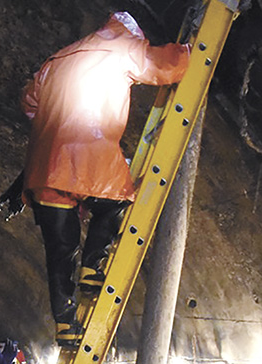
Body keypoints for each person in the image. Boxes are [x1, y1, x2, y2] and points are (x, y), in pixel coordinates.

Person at [16, 11, 190, 346]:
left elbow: (29, 104)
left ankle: (66, 324)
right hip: (89, 157)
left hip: (46, 167)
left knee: (60, 250)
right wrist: (190, 51)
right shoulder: (121, 45)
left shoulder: (57, 59)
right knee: (117, 199)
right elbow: (165, 67)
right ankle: (93, 267)